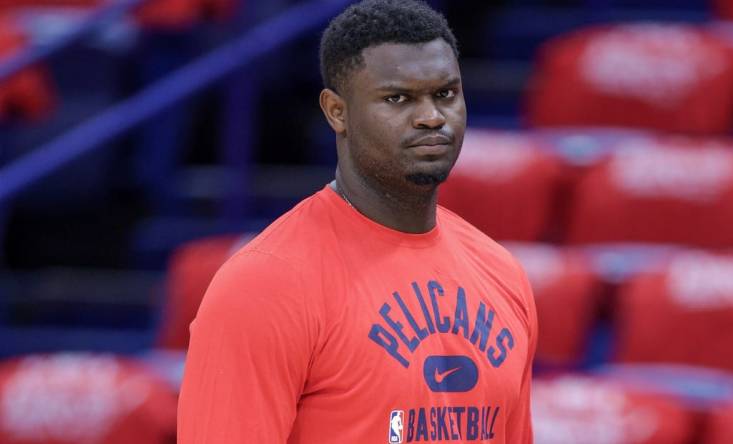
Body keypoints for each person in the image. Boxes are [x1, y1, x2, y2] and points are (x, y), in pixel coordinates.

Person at [177, 0, 538, 443]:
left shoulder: (502, 273)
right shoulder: (266, 284)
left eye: (445, 93)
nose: (431, 117)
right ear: (336, 111)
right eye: (398, 98)